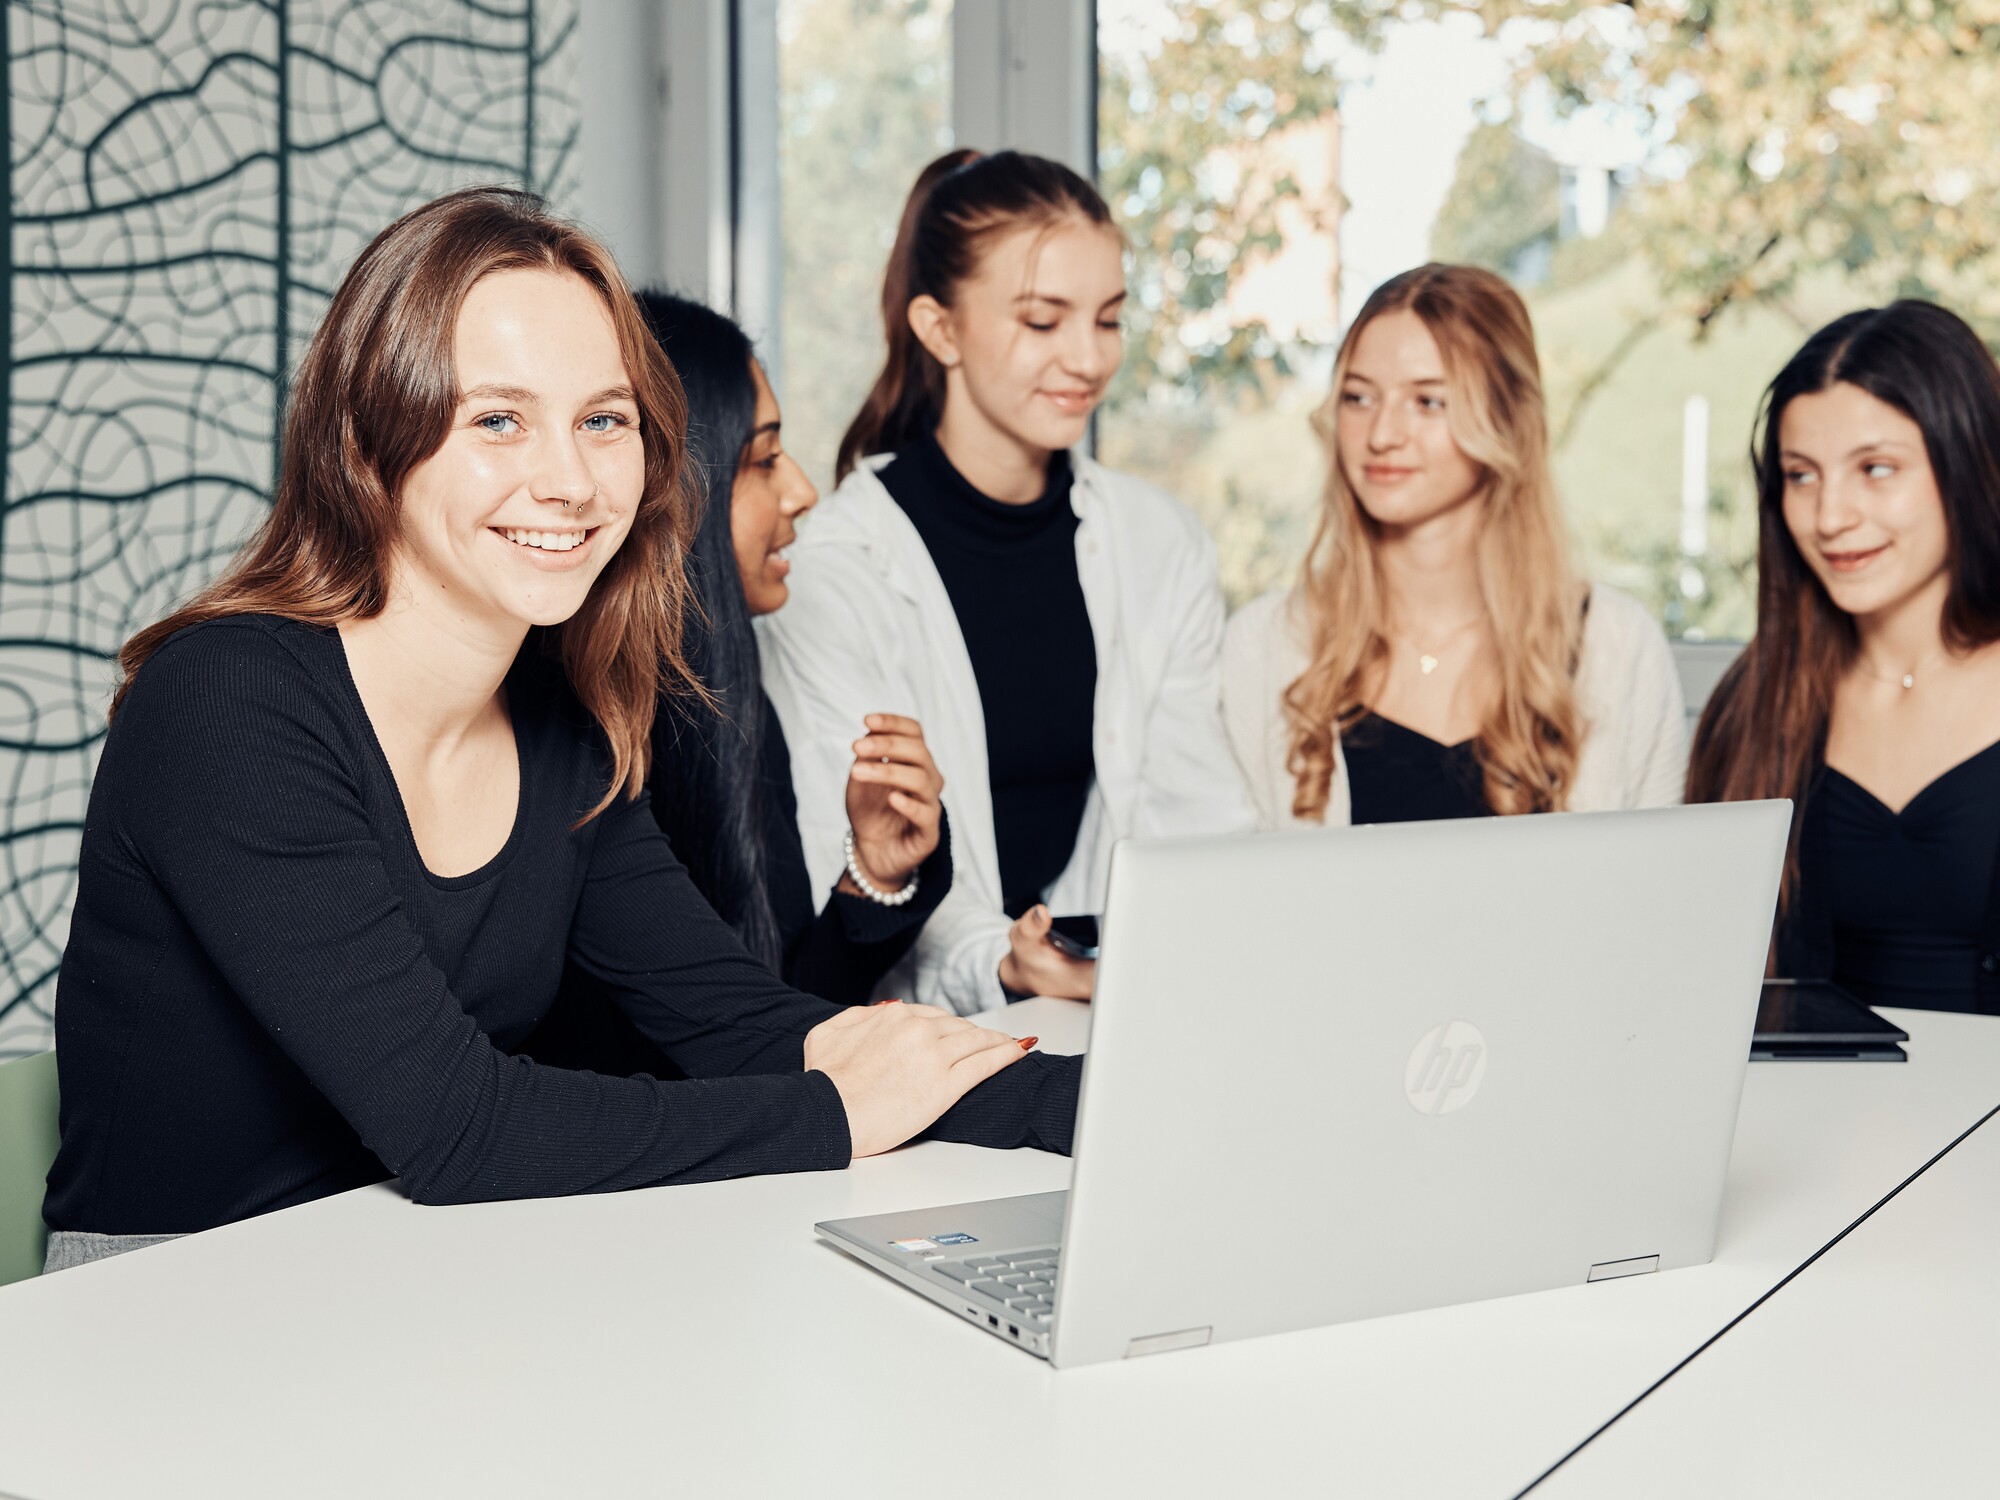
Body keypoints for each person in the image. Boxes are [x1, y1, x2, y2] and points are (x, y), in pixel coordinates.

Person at [41, 187, 1078, 1270]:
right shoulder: (228, 701)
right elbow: (459, 1128)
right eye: (498, 420)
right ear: (371, 444)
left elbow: (739, 1023)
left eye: (603, 420)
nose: (573, 482)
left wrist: (1109, 1100)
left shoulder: (560, 726)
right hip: (168, 1301)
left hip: (412, 1271)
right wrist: (833, 1113)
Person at [757, 149, 1254, 1015]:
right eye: (1042, 320)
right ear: (939, 329)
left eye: (1108, 319)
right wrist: (1010, 965)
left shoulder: (1159, 543)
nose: (1088, 358)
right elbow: (858, 864)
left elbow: (1198, 822)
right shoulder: (832, 571)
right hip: (923, 1035)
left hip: (1132, 1005)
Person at [1222, 263, 1685, 830]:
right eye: (1358, 398)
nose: (1382, 435)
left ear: (1508, 418)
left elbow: (1659, 882)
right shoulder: (1264, 646)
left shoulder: (1618, 647)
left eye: (1428, 402)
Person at [1688, 300, 2000, 1015]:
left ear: (1966, 462)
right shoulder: (1753, 703)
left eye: (1876, 469)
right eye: (1801, 475)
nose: (1831, 517)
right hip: (1804, 1093)